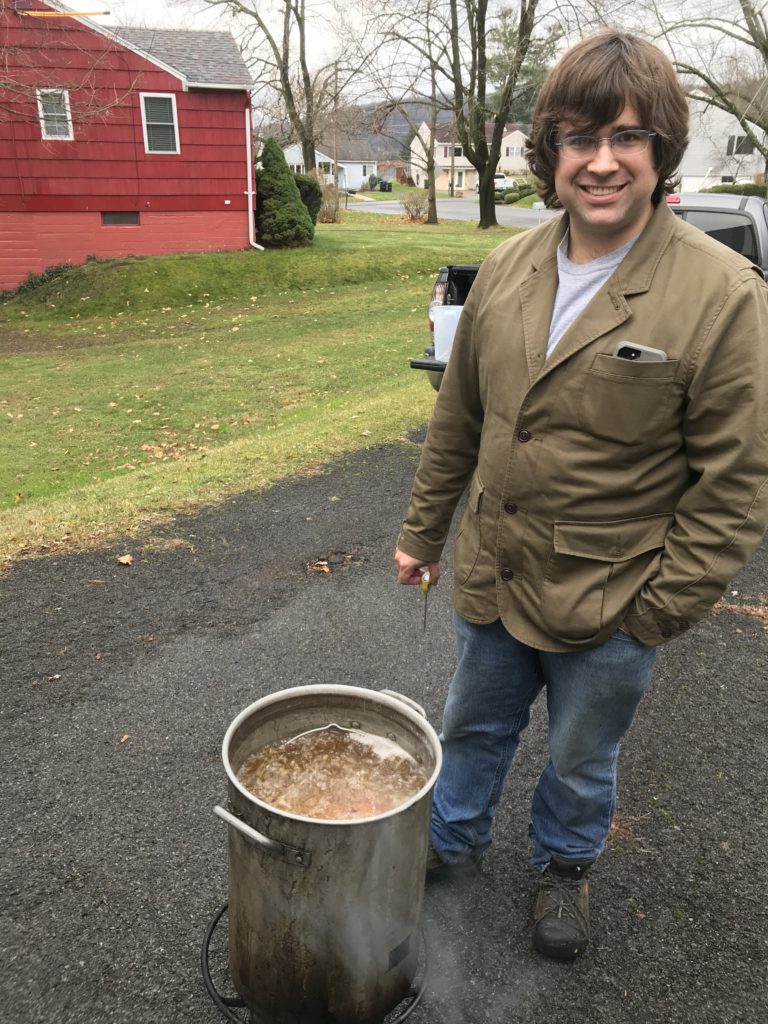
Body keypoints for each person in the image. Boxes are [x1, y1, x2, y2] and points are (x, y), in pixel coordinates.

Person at [394, 30, 768, 962]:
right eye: (579, 138)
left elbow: (736, 480)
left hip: (613, 597)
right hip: (494, 567)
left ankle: (564, 865)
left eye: (628, 138)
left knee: (579, 758)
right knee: (470, 724)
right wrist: (423, 532)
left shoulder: (722, 294)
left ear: (661, 152)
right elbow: (460, 421)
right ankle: (450, 843)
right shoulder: (511, 269)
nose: (602, 161)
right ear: (550, 153)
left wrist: (659, 610)